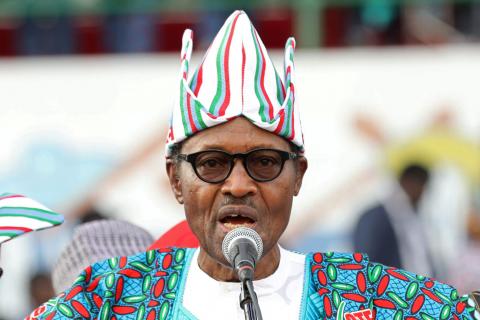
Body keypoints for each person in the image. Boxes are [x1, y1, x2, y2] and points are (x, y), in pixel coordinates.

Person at [27, 10, 478, 319]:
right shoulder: (112, 298)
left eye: (263, 163)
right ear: (175, 180)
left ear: (298, 176)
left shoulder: (358, 294)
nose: (238, 185)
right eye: (212, 164)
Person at [353, 164, 435, 277]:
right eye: (423, 187)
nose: (423, 194)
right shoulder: (376, 218)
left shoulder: (412, 217)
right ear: (410, 182)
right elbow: (366, 262)